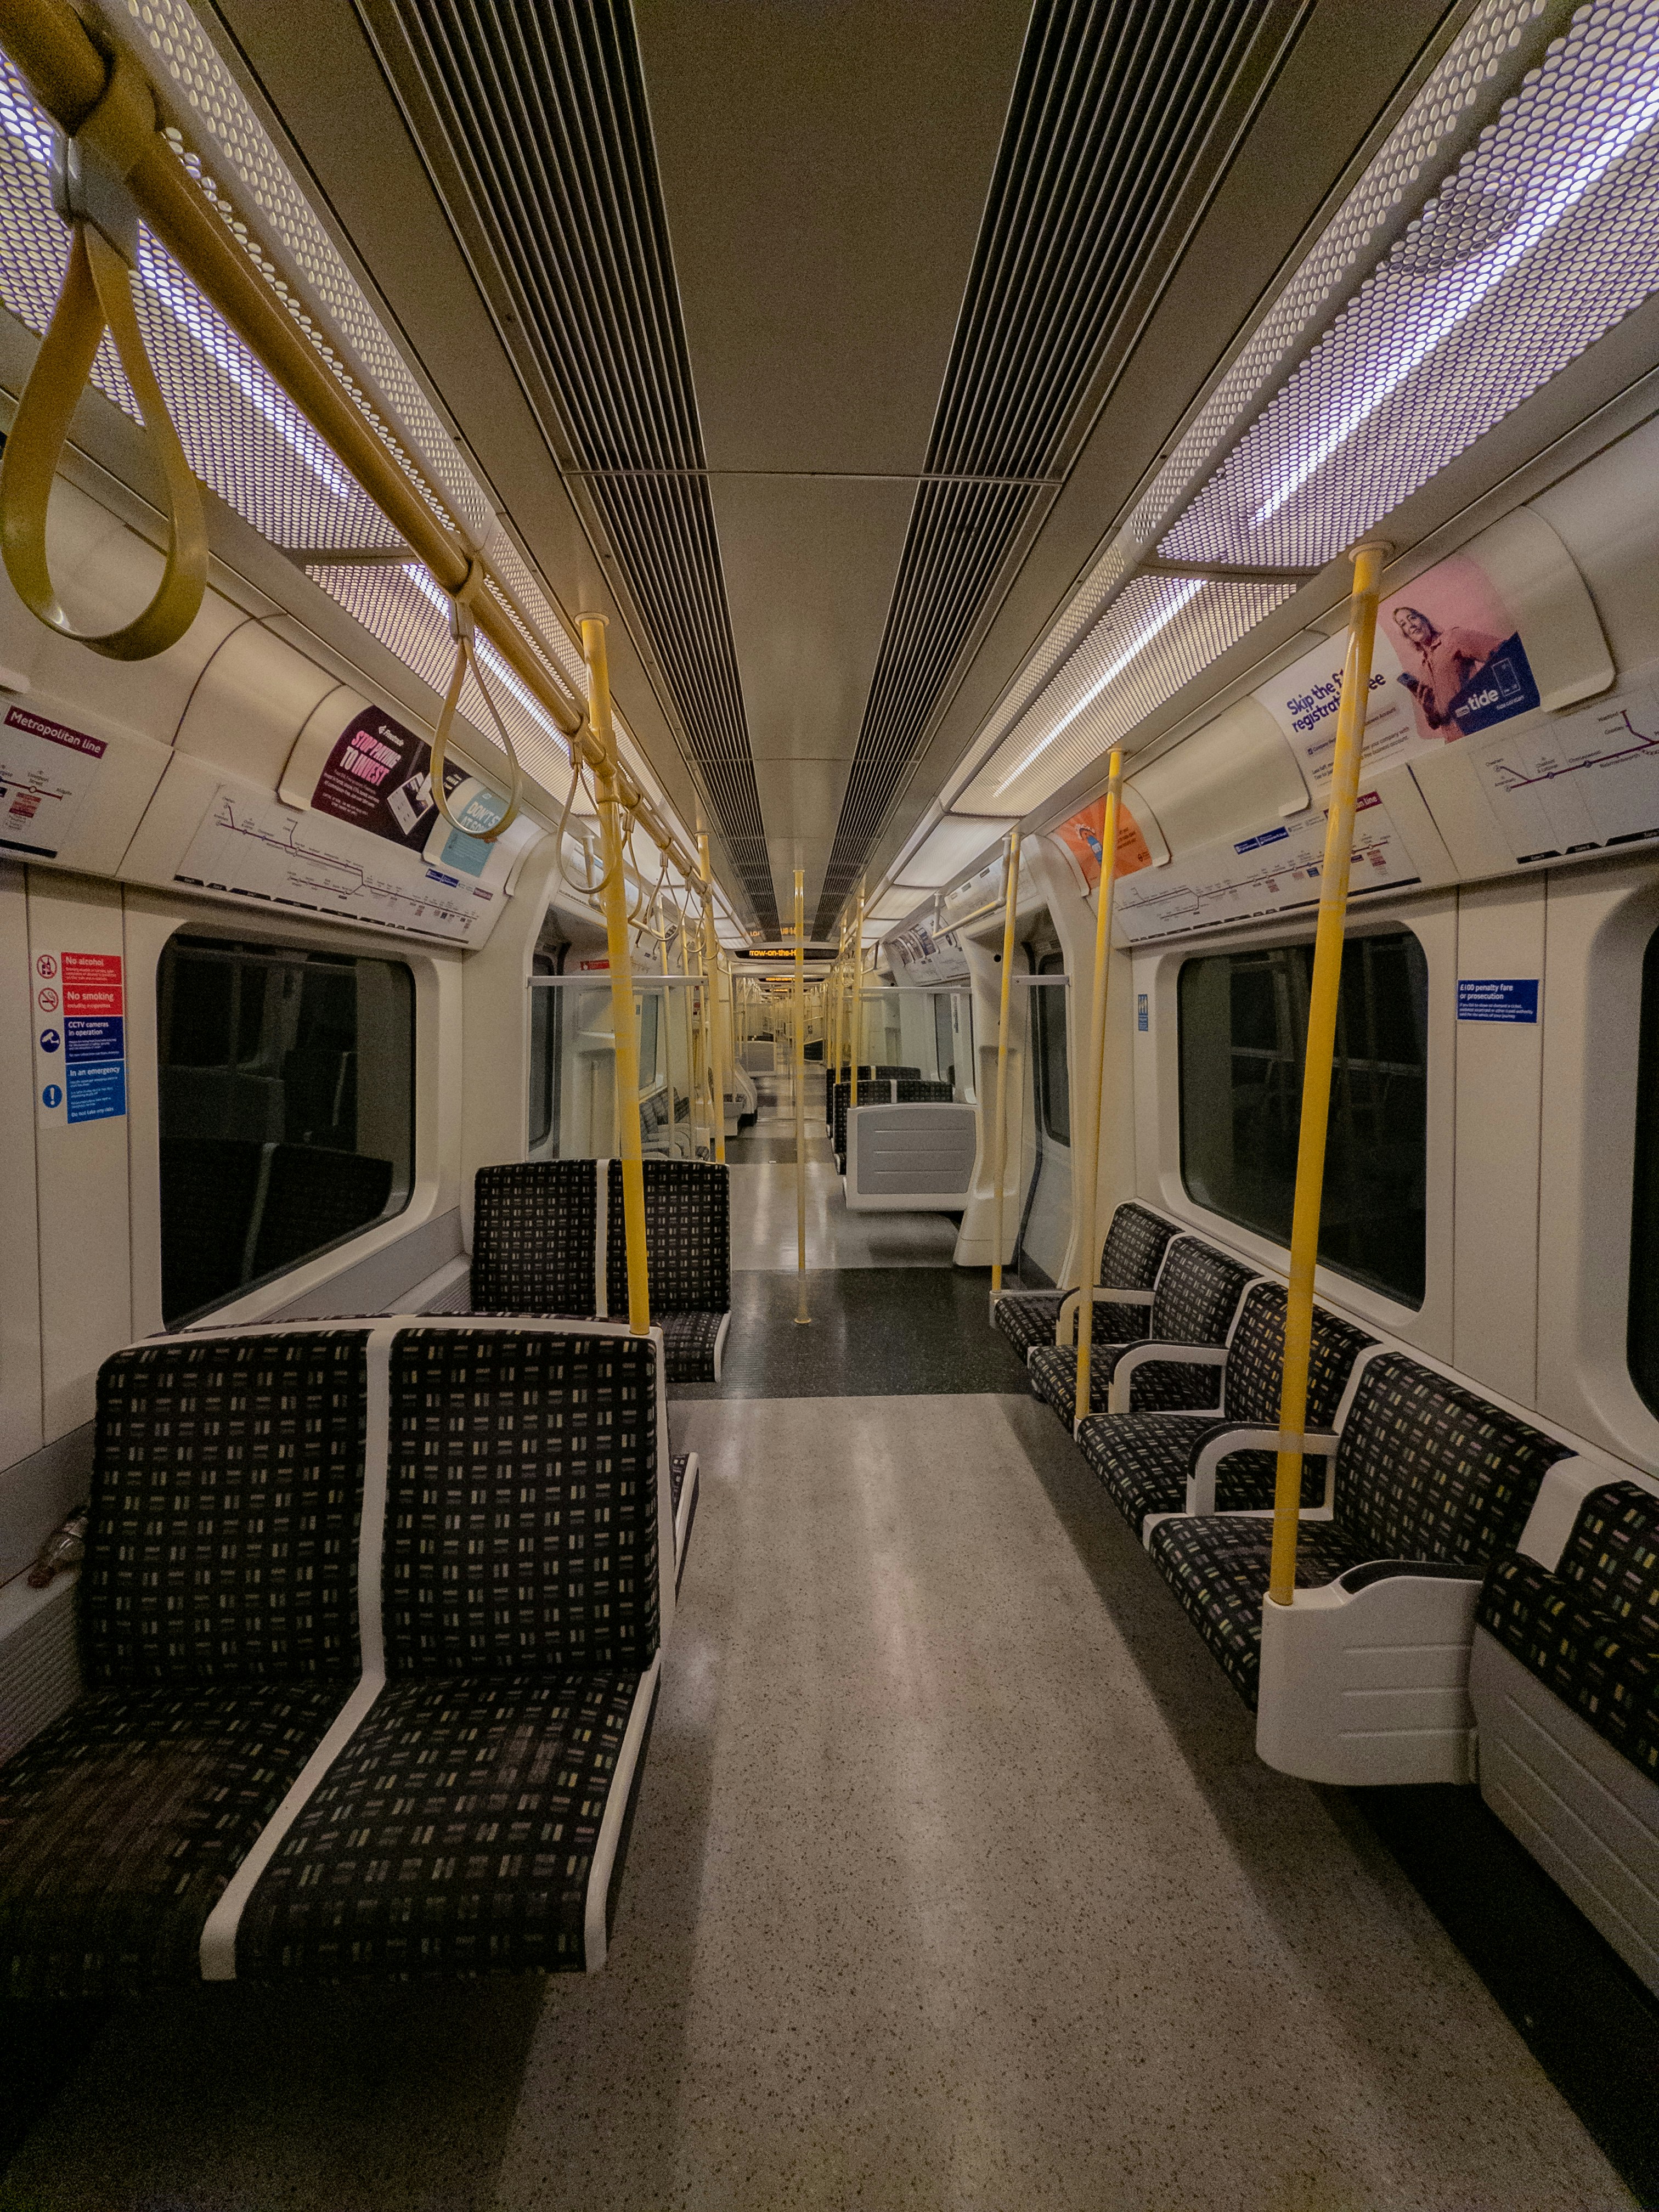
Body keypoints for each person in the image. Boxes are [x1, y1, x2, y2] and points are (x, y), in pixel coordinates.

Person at [1392, 604, 1504, 734]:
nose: (1411, 625)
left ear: (1424, 620)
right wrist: (1429, 711)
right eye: (1404, 624)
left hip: (1480, 729)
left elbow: (1502, 650)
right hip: (1454, 742)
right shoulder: (1423, 670)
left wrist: (1499, 698)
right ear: (1406, 635)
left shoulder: (1453, 638)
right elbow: (1436, 724)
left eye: (1412, 618)